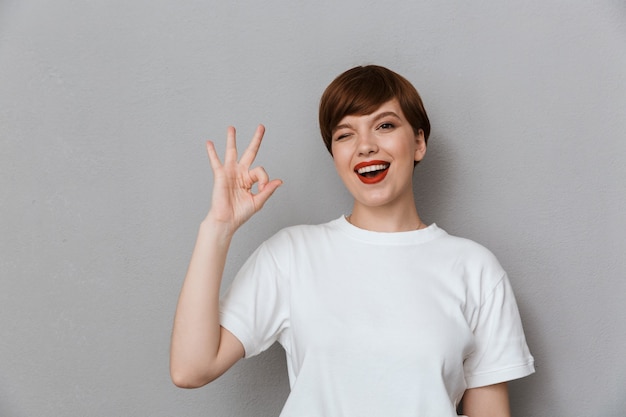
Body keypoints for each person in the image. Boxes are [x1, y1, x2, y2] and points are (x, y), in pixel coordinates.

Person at [170, 65, 535, 416]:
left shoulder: (475, 269)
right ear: (336, 156)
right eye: (345, 134)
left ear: (419, 142)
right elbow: (190, 369)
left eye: (385, 125)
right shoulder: (292, 254)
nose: (365, 146)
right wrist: (217, 226)